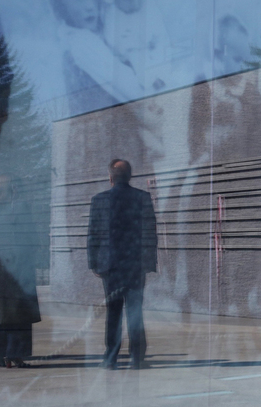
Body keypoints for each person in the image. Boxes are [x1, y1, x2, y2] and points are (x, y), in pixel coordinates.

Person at [48, 0, 143, 116]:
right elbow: (133, 91)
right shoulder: (80, 44)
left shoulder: (100, 35)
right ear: (60, 1)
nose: (90, 5)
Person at [87, 159, 158, 370]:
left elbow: (93, 235)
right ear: (129, 176)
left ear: (110, 178)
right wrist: (148, 263)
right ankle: (137, 358)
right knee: (135, 311)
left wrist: (94, 264)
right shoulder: (142, 198)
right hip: (135, 266)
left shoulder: (99, 200)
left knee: (113, 313)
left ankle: (110, 358)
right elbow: (149, 234)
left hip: (110, 267)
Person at [0, 175, 41, 368]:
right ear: (15, 188)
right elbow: (31, 236)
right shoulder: (20, 207)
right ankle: (15, 355)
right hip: (18, 263)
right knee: (20, 312)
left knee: (1, 312)